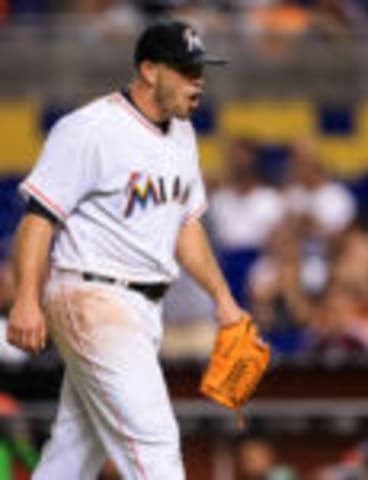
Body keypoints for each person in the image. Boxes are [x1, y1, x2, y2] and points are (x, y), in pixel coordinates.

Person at [7, 18, 246, 480]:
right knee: (155, 445)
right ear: (150, 70)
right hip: (92, 295)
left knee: (74, 453)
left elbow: (185, 227)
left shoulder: (183, 136)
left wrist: (224, 299)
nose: (198, 82)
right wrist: (24, 299)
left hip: (142, 309)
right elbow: (38, 219)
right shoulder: (90, 129)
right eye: (186, 70)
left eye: (201, 71)